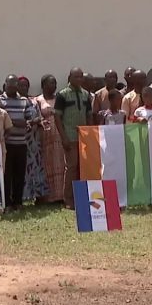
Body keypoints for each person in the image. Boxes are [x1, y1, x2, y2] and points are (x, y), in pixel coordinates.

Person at [54, 68, 92, 208]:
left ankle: (81, 197)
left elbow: (89, 115)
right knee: (71, 167)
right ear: (69, 77)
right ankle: (68, 199)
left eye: (81, 77)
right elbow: (57, 116)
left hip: (83, 137)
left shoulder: (86, 94)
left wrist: (90, 134)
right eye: (76, 77)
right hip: (69, 136)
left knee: (83, 168)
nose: (79, 79)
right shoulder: (62, 95)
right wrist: (63, 137)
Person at [0, 75, 37, 210]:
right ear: (5, 85)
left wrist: (12, 121)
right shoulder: (0, 101)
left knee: (19, 174)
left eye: (15, 85)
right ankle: (7, 203)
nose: (12, 88)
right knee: (6, 174)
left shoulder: (24, 100)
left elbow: (29, 120)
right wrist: (15, 122)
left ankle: (18, 202)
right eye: (10, 85)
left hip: (21, 143)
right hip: (6, 143)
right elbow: (0, 121)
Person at [35, 75, 65, 204]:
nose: (52, 86)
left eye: (54, 83)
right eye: (49, 83)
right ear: (43, 85)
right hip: (45, 136)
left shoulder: (59, 99)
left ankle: (61, 195)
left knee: (60, 164)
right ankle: (48, 196)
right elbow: (36, 116)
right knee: (47, 164)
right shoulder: (38, 100)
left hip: (59, 134)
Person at [20, 76, 49, 203]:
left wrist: (41, 122)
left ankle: (38, 195)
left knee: (36, 167)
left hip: (34, 140)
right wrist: (32, 122)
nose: (24, 88)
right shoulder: (15, 101)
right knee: (24, 169)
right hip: (21, 140)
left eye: (26, 85)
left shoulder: (33, 101)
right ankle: (23, 196)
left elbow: (39, 117)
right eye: (21, 85)